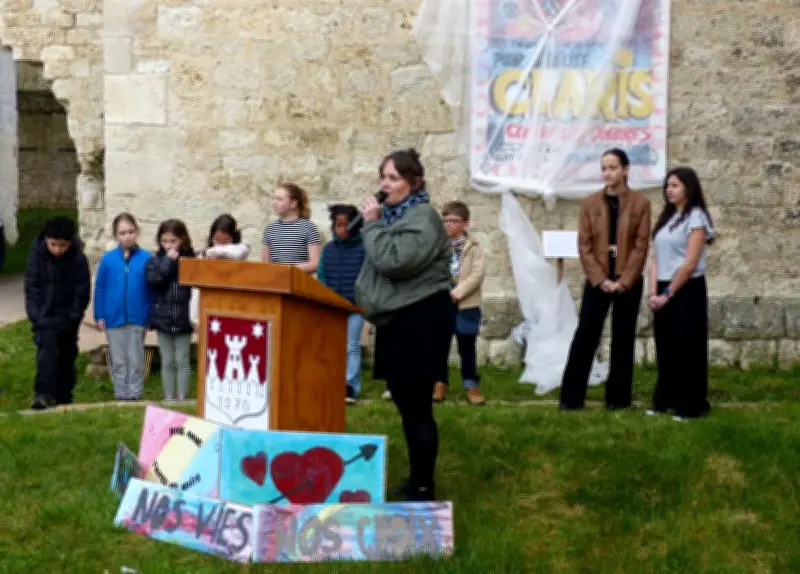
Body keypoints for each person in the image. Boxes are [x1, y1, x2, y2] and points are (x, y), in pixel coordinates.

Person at [355, 148, 455, 501]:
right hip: (400, 318)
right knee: (404, 398)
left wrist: (372, 224)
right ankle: (417, 479)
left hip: (422, 319)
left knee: (416, 403)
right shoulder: (397, 216)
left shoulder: (423, 216)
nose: (385, 184)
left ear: (414, 181)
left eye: (394, 177)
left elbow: (393, 261)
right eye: (383, 176)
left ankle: (423, 486)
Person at [559, 148, 651, 411]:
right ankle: (571, 398)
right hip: (597, 282)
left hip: (628, 283)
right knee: (586, 335)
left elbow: (641, 245)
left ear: (625, 169)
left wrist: (625, 279)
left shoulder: (641, 203)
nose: (607, 172)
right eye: (604, 168)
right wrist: (600, 279)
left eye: (612, 167)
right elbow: (584, 246)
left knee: (623, 339)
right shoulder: (588, 204)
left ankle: (618, 400)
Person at [648, 167, 714, 421]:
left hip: (686, 289)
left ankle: (692, 406)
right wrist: (654, 293)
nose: (669, 190)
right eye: (667, 186)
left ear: (689, 187)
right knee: (666, 348)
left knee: (688, 348)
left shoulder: (696, 217)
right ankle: (665, 401)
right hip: (663, 287)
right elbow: (657, 259)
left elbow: (689, 263)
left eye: (674, 185)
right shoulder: (666, 219)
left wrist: (668, 294)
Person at [24, 216, 91, 409]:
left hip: (68, 317)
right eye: (53, 244)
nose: (58, 249)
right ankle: (42, 394)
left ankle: (64, 396)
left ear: (70, 242)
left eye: (62, 245)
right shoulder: (37, 256)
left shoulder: (78, 259)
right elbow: (32, 286)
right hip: (44, 316)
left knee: (67, 356)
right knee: (46, 353)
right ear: (46, 239)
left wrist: (75, 315)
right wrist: (35, 314)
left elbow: (82, 289)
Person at [94, 213, 153, 401]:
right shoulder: (108, 260)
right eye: (122, 233)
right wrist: (99, 315)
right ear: (115, 235)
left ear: (137, 232)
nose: (127, 236)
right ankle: (121, 393)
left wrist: (150, 315)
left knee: (136, 359)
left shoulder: (146, 259)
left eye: (131, 231)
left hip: (138, 318)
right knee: (118, 359)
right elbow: (100, 288)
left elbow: (152, 289)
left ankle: (135, 394)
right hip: (113, 318)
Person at [434, 201, 487, 406]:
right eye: (445, 220)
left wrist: (457, 293)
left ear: (465, 224)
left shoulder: (474, 248)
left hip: (466, 304)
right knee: (440, 346)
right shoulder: (439, 246)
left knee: (466, 346)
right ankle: (440, 383)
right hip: (441, 302)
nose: (447, 224)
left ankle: (471, 385)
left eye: (453, 221)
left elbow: (477, 275)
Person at [317, 204, 367, 405]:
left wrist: (360, 302)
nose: (342, 229)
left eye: (346, 225)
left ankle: (350, 385)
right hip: (333, 306)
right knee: (333, 346)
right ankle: (332, 381)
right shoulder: (328, 249)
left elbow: (367, 277)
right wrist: (327, 298)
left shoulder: (364, 249)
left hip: (355, 307)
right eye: (338, 225)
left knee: (351, 346)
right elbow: (322, 274)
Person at [146, 219, 195, 401]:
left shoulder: (190, 260)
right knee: (167, 360)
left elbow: (195, 289)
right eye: (164, 241)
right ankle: (168, 397)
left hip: (183, 318)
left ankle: (182, 397)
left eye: (172, 241)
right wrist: (168, 261)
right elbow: (155, 282)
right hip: (162, 318)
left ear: (182, 240)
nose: (168, 245)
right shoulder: (155, 261)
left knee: (182, 359)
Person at [190, 214, 251, 327]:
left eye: (225, 241)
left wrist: (213, 252)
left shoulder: (242, 248)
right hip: (209, 307)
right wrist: (194, 319)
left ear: (233, 237)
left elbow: (237, 253)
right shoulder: (204, 255)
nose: (219, 245)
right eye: (216, 240)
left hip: (231, 306)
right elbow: (196, 291)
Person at [261, 183, 321, 273]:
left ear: (293, 203)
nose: (274, 203)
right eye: (274, 199)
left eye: (279, 199)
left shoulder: (308, 227)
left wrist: (288, 270)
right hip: (276, 283)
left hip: (299, 283)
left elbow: (315, 263)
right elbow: (266, 264)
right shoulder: (270, 229)